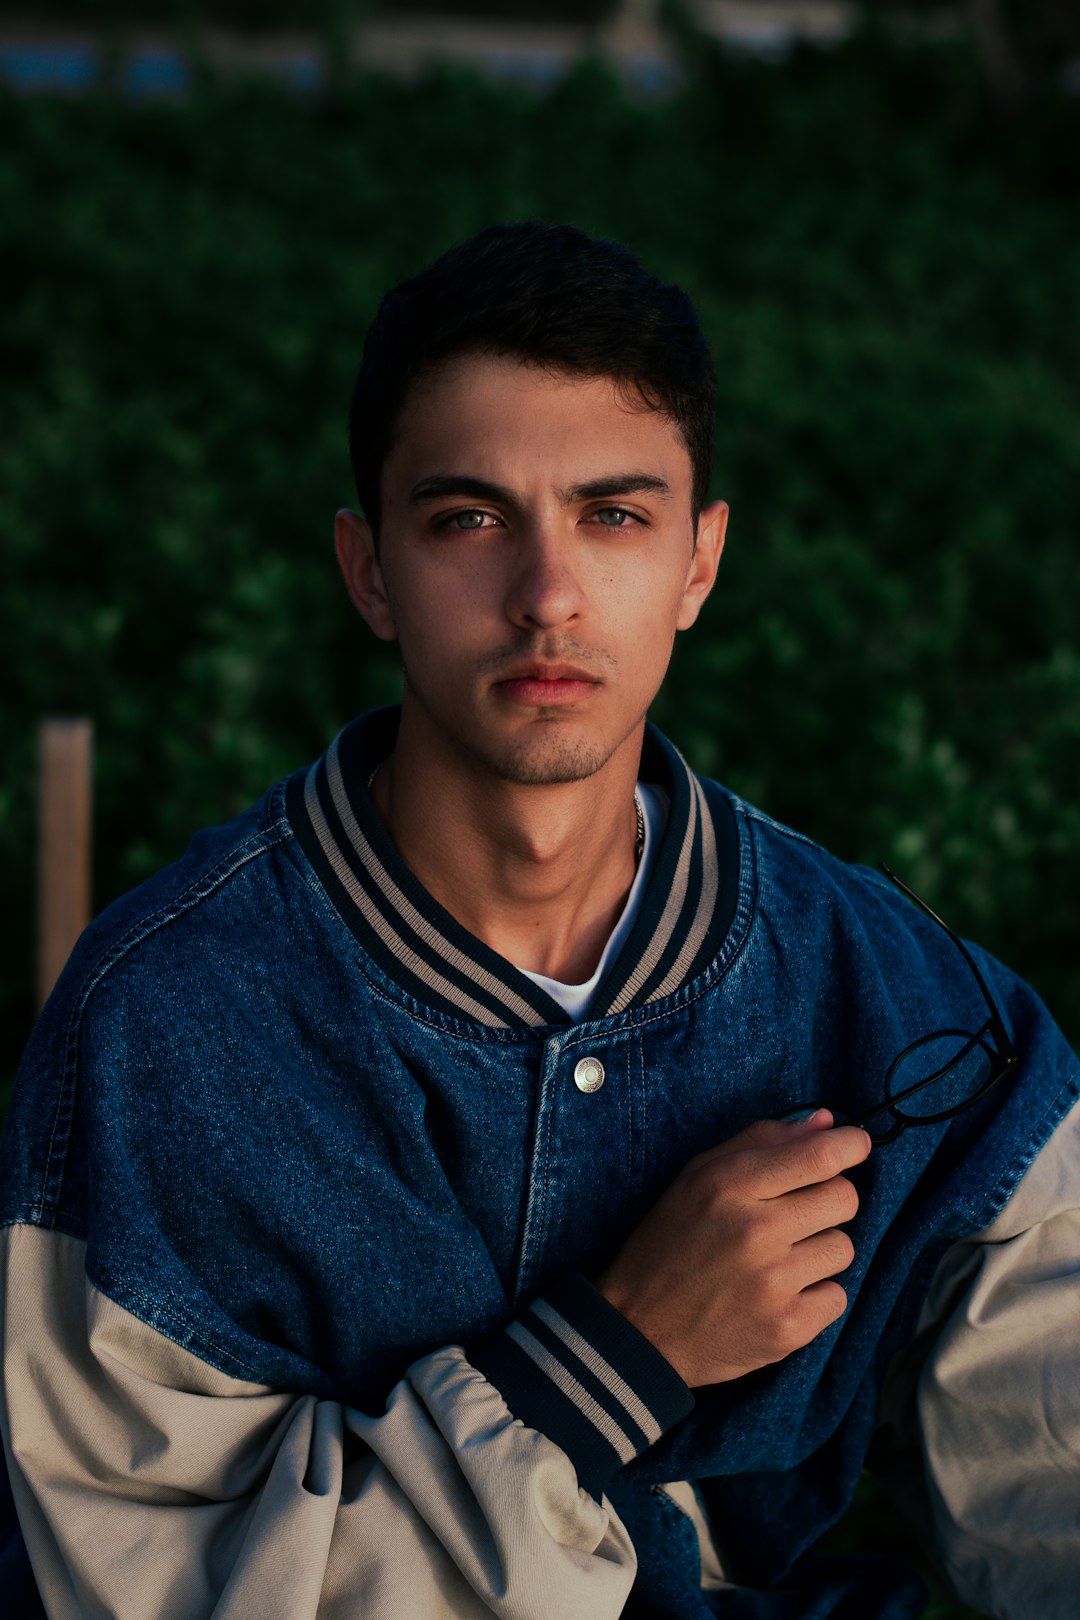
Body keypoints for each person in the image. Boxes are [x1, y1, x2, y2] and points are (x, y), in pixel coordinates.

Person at [1, 222, 1077, 1620]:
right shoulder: (158, 1031)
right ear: (369, 569)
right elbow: (145, 1590)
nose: (548, 596)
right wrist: (616, 1357)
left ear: (700, 561)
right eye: (469, 520)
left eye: (615, 516)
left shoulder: (879, 988)